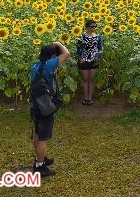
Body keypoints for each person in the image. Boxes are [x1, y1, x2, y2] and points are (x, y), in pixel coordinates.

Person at [30, 42, 69, 177]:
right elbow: (67, 54)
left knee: (37, 132)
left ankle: (40, 158)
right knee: (43, 138)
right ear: (52, 56)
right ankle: (39, 166)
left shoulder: (36, 66)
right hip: (45, 107)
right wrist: (58, 44)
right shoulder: (49, 65)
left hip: (36, 104)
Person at [76, 20, 103, 106]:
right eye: (92, 26)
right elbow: (78, 48)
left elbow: (100, 49)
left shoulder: (98, 37)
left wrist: (99, 58)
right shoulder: (82, 36)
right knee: (85, 80)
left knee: (91, 80)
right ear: (87, 27)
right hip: (84, 60)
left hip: (94, 60)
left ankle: (90, 98)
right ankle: (85, 98)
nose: (93, 28)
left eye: (95, 26)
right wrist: (80, 58)